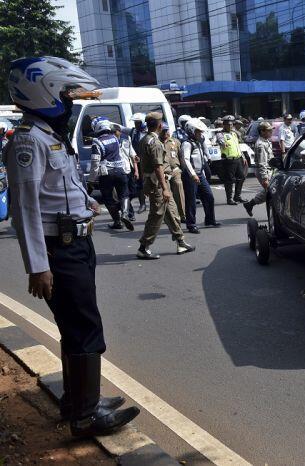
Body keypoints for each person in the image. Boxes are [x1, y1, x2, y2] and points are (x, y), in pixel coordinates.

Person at [4, 56, 140, 437]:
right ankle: (85, 416)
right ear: (43, 92)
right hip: (58, 251)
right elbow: (26, 206)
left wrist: (86, 204)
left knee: (77, 325)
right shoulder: (29, 139)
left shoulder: (49, 135)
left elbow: (55, 190)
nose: (71, 100)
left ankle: (80, 401)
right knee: (83, 327)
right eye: (66, 93)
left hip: (74, 243)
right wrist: (38, 266)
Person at [136, 112, 195, 259]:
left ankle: (181, 242)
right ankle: (143, 247)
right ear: (160, 125)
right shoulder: (154, 143)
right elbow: (158, 167)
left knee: (172, 212)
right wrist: (165, 189)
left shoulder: (144, 140)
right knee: (156, 216)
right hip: (158, 184)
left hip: (153, 182)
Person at [89, 118, 133, 231]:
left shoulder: (97, 142)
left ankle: (117, 221)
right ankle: (125, 213)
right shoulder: (115, 138)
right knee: (124, 194)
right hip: (120, 170)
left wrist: (92, 179)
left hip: (106, 173)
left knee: (108, 199)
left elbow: (95, 162)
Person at [181, 118, 220, 233]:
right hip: (190, 176)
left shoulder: (198, 142)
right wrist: (193, 174)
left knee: (209, 196)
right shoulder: (187, 144)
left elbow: (203, 154)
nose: (200, 134)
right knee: (191, 201)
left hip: (200, 174)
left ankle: (210, 220)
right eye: (198, 131)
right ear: (192, 131)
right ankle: (191, 224)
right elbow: (186, 160)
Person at [243, 121, 274, 216]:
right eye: (268, 131)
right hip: (264, 171)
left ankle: (250, 204)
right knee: (271, 192)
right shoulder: (261, 144)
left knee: (270, 192)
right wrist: (265, 178)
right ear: (262, 132)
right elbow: (262, 162)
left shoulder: (266, 141)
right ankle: (272, 215)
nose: (271, 132)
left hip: (269, 170)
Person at [217, 115, 247, 205]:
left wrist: (243, 157)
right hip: (228, 160)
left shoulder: (234, 134)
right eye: (228, 125)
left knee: (241, 177)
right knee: (229, 180)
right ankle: (229, 199)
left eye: (231, 125)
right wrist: (223, 144)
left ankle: (237, 196)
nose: (230, 126)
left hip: (237, 159)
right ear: (224, 125)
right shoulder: (220, 134)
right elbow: (220, 140)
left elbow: (237, 146)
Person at [160, 123, 186, 221]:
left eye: (167, 130)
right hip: (163, 172)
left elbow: (181, 156)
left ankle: (182, 215)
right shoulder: (157, 143)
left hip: (175, 170)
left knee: (178, 187)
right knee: (166, 194)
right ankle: (169, 216)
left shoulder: (175, 142)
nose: (166, 133)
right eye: (163, 131)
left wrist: (183, 169)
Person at [113, 124, 138, 223]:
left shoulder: (126, 138)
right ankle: (130, 214)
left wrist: (136, 170)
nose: (114, 133)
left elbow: (133, 155)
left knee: (133, 192)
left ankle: (121, 206)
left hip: (128, 169)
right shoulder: (111, 141)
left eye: (116, 131)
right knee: (124, 193)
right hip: (119, 171)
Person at [129, 113, 148, 214]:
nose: (136, 125)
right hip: (137, 162)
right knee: (140, 184)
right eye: (135, 123)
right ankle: (142, 204)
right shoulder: (133, 132)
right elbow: (121, 128)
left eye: (138, 123)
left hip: (148, 161)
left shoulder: (149, 132)